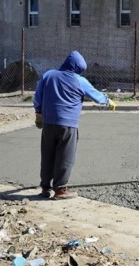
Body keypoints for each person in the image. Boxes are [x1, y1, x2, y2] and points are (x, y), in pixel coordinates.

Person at [33, 51, 116, 199]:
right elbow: (96, 95)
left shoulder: (48, 75)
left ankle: (45, 187)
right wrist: (108, 101)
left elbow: (38, 96)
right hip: (68, 124)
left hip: (48, 123)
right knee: (65, 156)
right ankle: (60, 189)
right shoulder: (79, 80)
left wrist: (39, 114)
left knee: (47, 154)